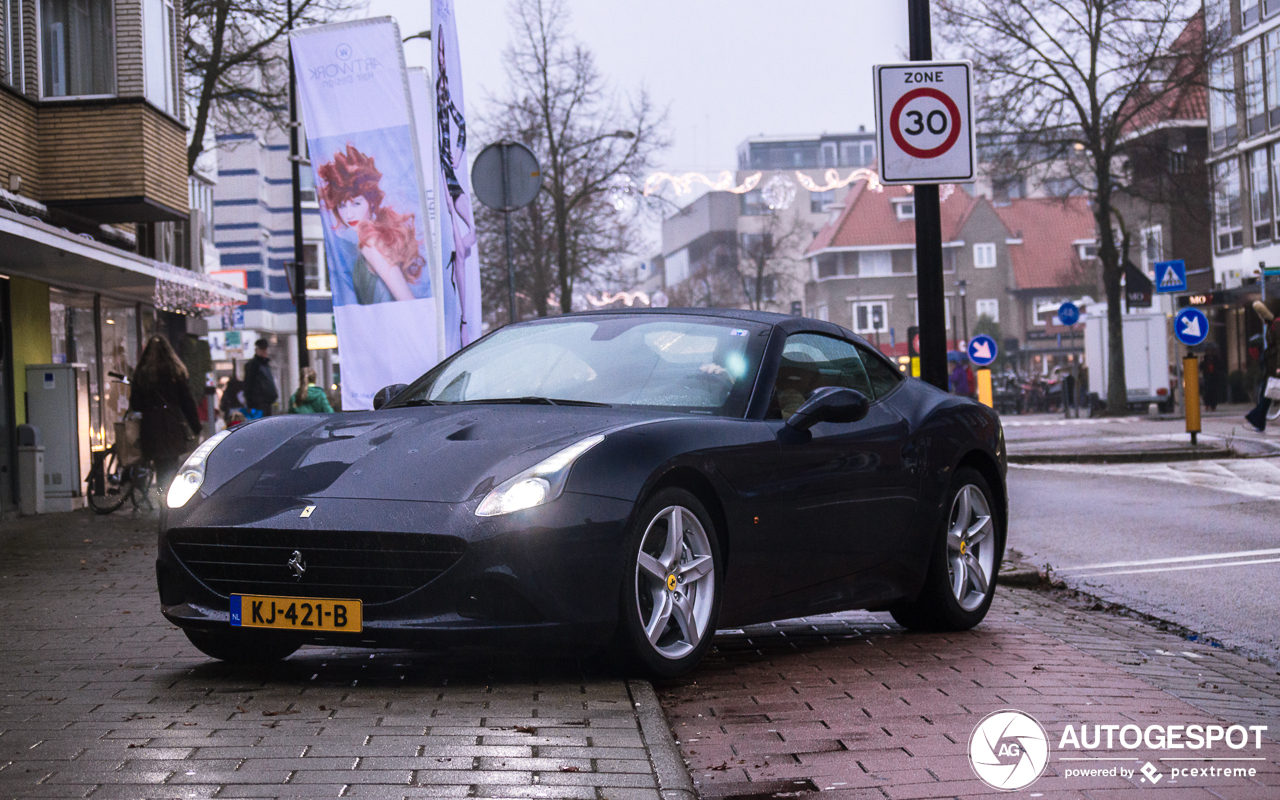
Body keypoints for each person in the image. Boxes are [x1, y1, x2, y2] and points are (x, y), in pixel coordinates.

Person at [317, 144, 426, 305]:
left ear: (371, 202)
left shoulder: (371, 242)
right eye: (342, 205)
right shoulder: (368, 241)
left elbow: (407, 299)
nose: (348, 214)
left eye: (356, 204)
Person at [129, 336, 201, 484]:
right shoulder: (176, 372)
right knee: (171, 463)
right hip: (171, 425)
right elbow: (187, 401)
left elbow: (136, 404)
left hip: (151, 426)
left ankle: (162, 497)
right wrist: (195, 426)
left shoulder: (142, 374)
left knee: (159, 464)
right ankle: (169, 499)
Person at [1246, 301, 1280, 432]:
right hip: (1271, 364)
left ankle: (1257, 419)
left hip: (1274, 366)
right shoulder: (1272, 324)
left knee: (1267, 392)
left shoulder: (1276, 324)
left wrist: (1278, 366)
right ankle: (1257, 419)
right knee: (1266, 392)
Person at [242, 339, 279, 418]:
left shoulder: (266, 364)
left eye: (265, 349)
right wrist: (250, 404)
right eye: (262, 349)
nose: (264, 351)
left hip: (267, 402)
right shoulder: (253, 365)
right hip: (258, 403)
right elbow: (248, 384)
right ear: (257, 350)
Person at [1200, 341, 1227, 412]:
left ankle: (1213, 405)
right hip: (1207, 377)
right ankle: (1207, 404)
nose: (1210, 352)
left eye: (1211, 350)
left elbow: (1220, 366)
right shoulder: (1204, 358)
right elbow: (1201, 367)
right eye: (1209, 350)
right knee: (1206, 391)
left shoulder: (1216, 358)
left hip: (1215, 377)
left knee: (1214, 392)